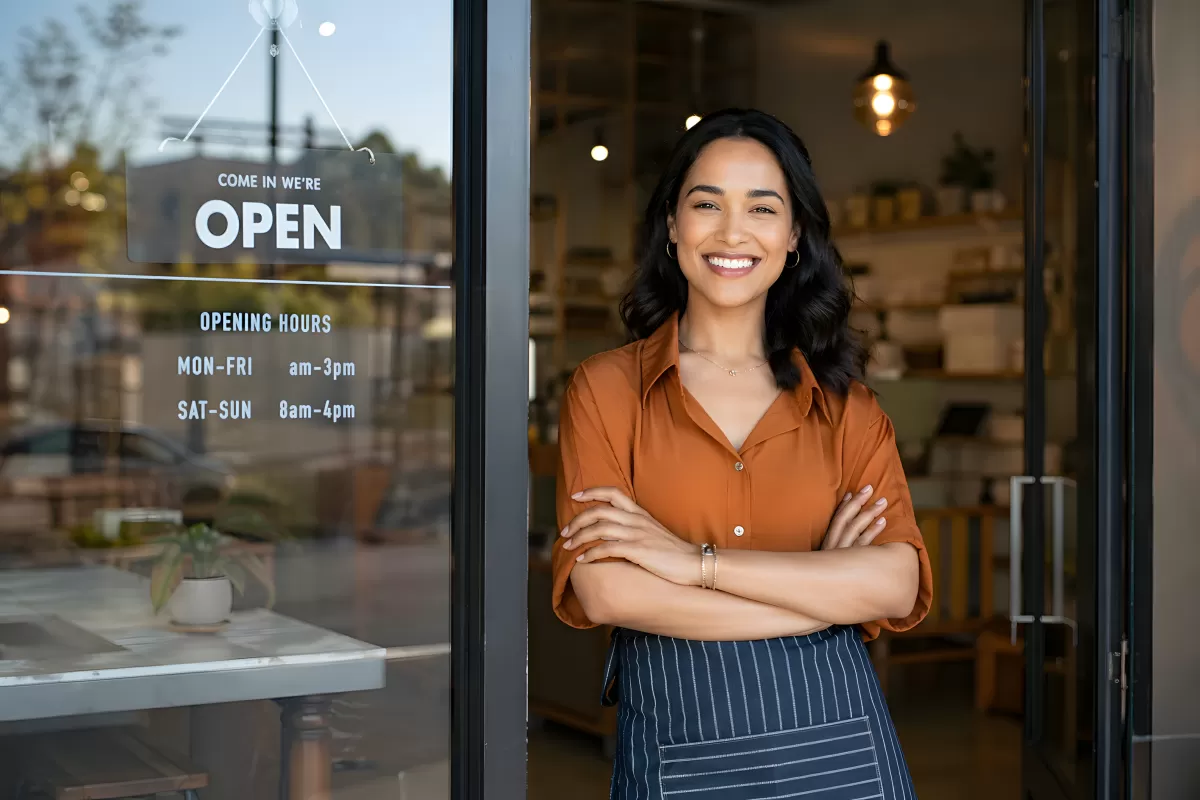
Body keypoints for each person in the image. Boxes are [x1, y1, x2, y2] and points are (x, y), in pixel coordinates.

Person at [551, 108, 933, 800]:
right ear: (672, 225)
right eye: (707, 204)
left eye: (762, 208)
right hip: (679, 748)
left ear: (794, 235)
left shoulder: (847, 408)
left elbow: (896, 585)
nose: (732, 232)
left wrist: (692, 564)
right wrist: (825, 598)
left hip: (840, 751)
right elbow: (607, 590)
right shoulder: (606, 391)